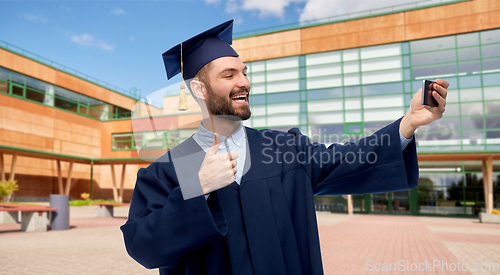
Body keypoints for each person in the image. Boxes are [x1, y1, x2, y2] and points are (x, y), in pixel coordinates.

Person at [121, 20, 449, 275]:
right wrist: (198, 188)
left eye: (245, 73)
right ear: (199, 88)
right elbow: (143, 247)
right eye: (229, 74)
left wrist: (408, 123)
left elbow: (348, 159)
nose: (244, 82)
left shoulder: (283, 149)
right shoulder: (169, 170)